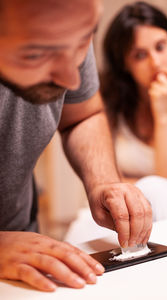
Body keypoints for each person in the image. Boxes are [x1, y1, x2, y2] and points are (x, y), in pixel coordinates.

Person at [0, 0, 152, 292]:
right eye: (36, 54)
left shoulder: (68, 24)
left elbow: (82, 115)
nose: (71, 77)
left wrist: (103, 181)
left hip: (23, 247)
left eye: (83, 39)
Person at [101, 1, 167, 221]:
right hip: (124, 208)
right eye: (140, 55)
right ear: (125, 64)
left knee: (157, 189)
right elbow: (104, 183)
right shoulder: (109, 108)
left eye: (160, 47)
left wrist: (163, 114)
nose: (155, 62)